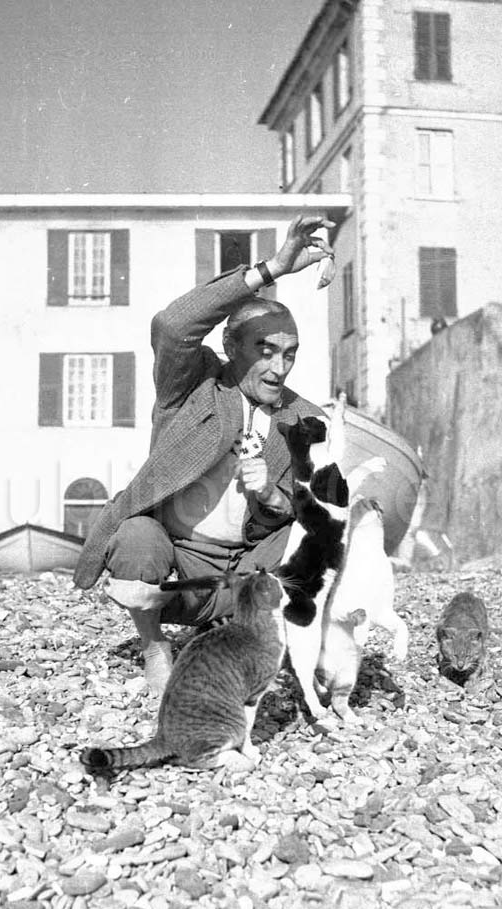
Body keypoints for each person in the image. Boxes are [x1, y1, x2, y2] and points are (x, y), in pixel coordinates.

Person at [72, 215, 336, 694]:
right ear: (231, 346)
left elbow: (317, 511)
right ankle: (155, 647)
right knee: (135, 537)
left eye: (289, 354)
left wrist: (272, 499)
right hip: (181, 572)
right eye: (265, 351)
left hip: (255, 575)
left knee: (321, 535)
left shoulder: (307, 418)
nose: (279, 368)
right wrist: (272, 269)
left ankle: (277, 645)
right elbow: (173, 326)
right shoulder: (192, 387)